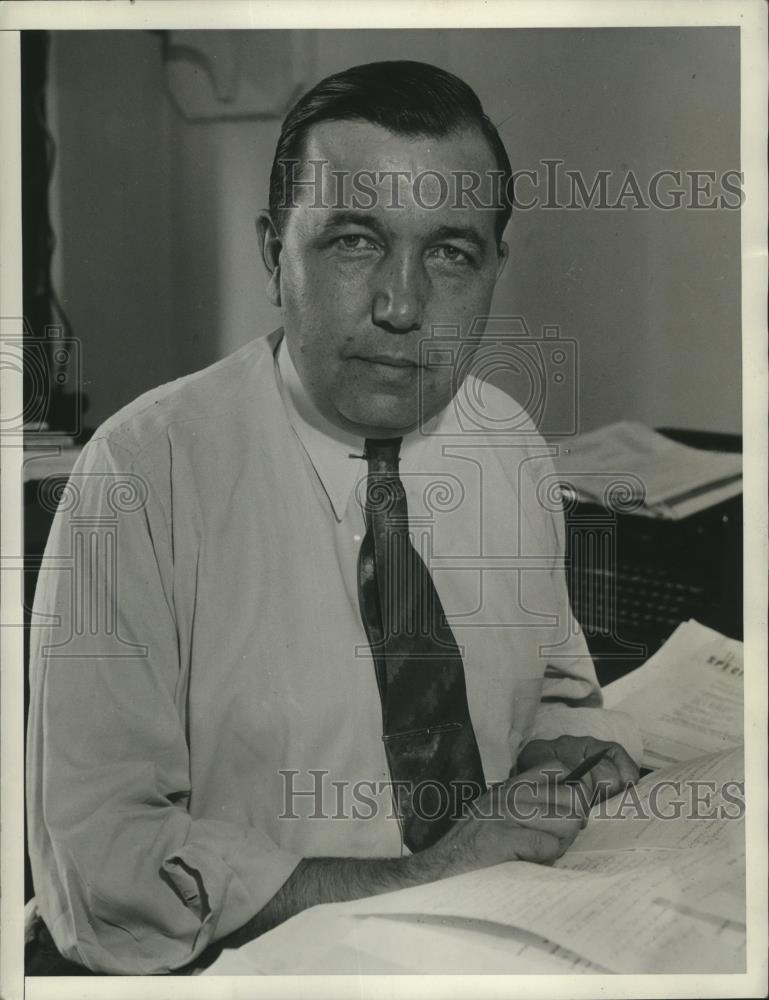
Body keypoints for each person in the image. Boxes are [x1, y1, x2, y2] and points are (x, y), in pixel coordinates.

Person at [26, 60, 641, 975]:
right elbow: (103, 866)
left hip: (498, 943)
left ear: (494, 269)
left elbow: (554, 679)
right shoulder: (136, 475)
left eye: (449, 252)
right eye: (355, 241)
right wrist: (428, 869)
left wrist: (562, 744)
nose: (402, 307)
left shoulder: (507, 443)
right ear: (273, 250)